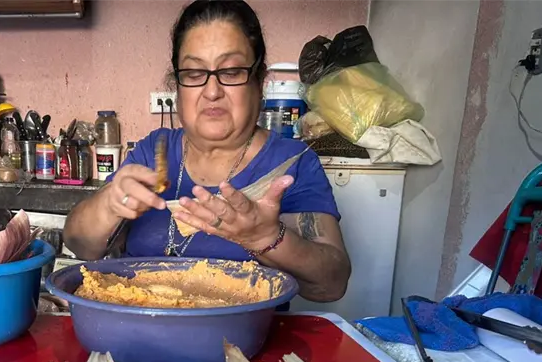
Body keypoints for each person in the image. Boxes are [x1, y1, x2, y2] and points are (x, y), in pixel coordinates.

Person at [64, 0, 351, 302]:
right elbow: (81, 245)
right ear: (177, 84)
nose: (212, 91)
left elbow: (330, 286)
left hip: (244, 343)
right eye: (193, 72)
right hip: (140, 334)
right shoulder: (154, 151)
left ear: (259, 80)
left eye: (230, 71)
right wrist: (109, 204)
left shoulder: (291, 163)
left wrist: (266, 239)